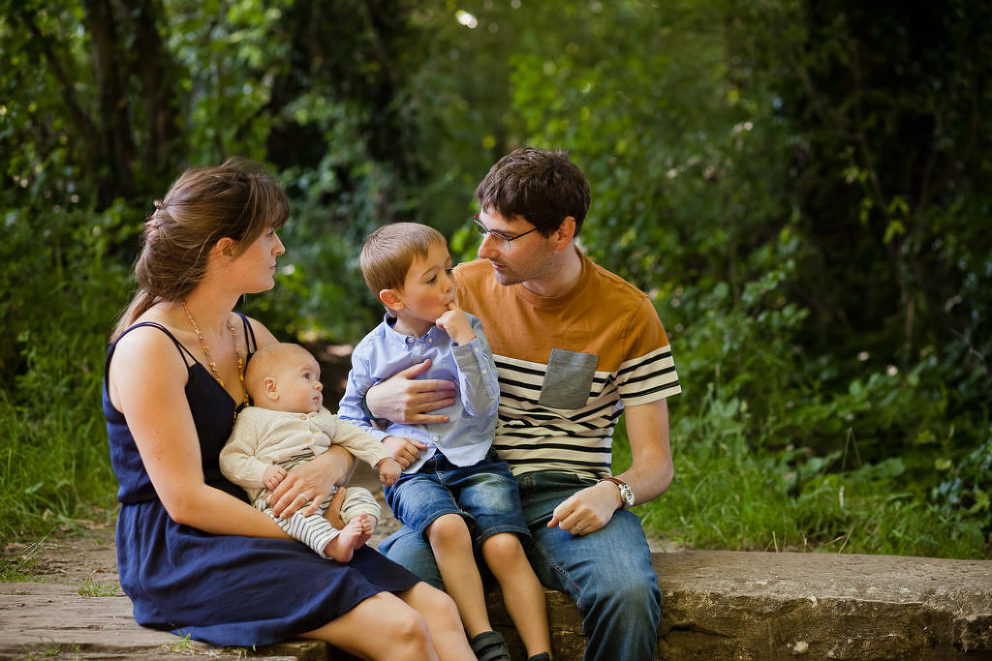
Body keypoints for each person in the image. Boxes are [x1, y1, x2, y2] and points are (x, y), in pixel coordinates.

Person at [104, 158, 474, 660]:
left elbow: (323, 431)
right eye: (269, 235)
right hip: (186, 548)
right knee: (402, 630)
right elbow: (186, 500)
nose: (279, 247)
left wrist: (329, 466)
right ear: (224, 249)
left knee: (439, 611)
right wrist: (307, 532)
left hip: (279, 518)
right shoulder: (149, 348)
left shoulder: (251, 335)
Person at [364, 148, 682, 661]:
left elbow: (656, 464)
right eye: (482, 228)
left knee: (625, 592)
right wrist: (379, 400)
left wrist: (613, 492)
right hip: (462, 493)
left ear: (561, 233)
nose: (485, 249)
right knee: (387, 585)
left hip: (566, 497)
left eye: (506, 236)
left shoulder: (628, 314)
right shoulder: (456, 287)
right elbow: (374, 366)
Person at [338, 222, 552, 661]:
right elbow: (347, 417)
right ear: (394, 299)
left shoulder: (467, 330)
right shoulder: (370, 352)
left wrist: (465, 343)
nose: (449, 284)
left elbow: (485, 405)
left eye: (448, 271)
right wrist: (381, 443)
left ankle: (540, 652)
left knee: (504, 544)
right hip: (414, 473)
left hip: (475, 460)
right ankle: (485, 640)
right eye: (432, 278)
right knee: (448, 527)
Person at [219, 342, 402, 562]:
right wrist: (262, 472)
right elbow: (231, 458)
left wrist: (383, 458)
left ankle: (361, 524)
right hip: (280, 498)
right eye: (307, 377)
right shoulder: (253, 419)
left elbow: (355, 436)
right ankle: (334, 545)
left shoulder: (322, 417)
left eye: (317, 378)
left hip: (328, 492)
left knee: (359, 495)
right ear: (271, 388)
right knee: (295, 517)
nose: (319, 385)